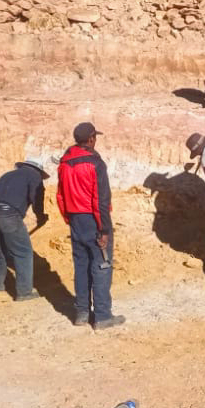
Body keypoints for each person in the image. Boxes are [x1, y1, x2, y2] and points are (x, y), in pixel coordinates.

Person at [58, 122, 125, 329]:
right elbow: (101, 200)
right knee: (102, 265)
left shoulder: (64, 163)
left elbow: (60, 196)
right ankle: (103, 316)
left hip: (75, 219)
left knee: (81, 266)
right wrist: (104, 229)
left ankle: (82, 314)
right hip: (94, 219)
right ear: (91, 139)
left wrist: (69, 219)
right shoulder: (95, 163)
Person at [0, 156, 50, 301]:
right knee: (23, 252)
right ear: (38, 170)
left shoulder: (8, 174)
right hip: (8, 214)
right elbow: (36, 199)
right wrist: (41, 216)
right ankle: (24, 292)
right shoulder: (34, 176)